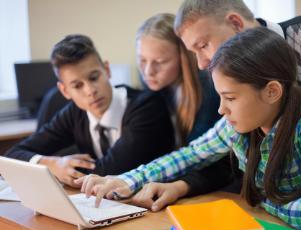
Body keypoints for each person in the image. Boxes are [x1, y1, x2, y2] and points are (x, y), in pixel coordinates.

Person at [77, 27, 301, 230]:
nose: (221, 109)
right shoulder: (242, 121)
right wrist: (129, 180)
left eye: (231, 98)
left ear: (272, 91)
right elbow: (191, 154)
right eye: (220, 97)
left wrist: (263, 201)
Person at [122, 0, 301, 211]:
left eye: (203, 45)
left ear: (235, 23)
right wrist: (129, 180)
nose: (202, 63)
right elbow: (205, 153)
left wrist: (264, 202)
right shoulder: (240, 96)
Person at [5, 34, 175, 188]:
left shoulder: (146, 106)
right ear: (65, 91)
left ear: (107, 70)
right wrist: (51, 164)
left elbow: (109, 172)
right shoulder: (74, 113)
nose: (90, 91)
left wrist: (62, 169)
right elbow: (12, 156)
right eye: (77, 86)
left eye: (94, 77)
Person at [133, 13, 242, 200]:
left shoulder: (210, 90)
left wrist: (179, 187)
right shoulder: (154, 88)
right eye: (142, 60)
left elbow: (205, 157)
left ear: (184, 56)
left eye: (159, 62)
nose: (148, 71)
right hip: (176, 185)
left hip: (217, 190)